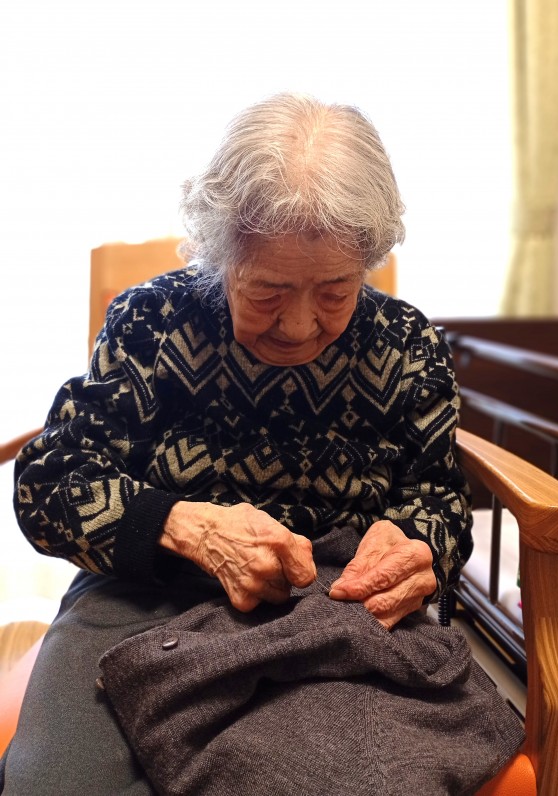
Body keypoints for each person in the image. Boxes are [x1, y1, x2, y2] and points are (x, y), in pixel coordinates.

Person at [1, 93, 478, 794]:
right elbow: (49, 485)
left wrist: (417, 545)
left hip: (332, 614)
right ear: (221, 255)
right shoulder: (151, 322)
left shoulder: (407, 347)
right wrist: (180, 525)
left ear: (367, 262)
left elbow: (440, 500)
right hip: (145, 598)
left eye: (335, 291)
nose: (299, 326)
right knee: (58, 784)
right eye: (267, 292)